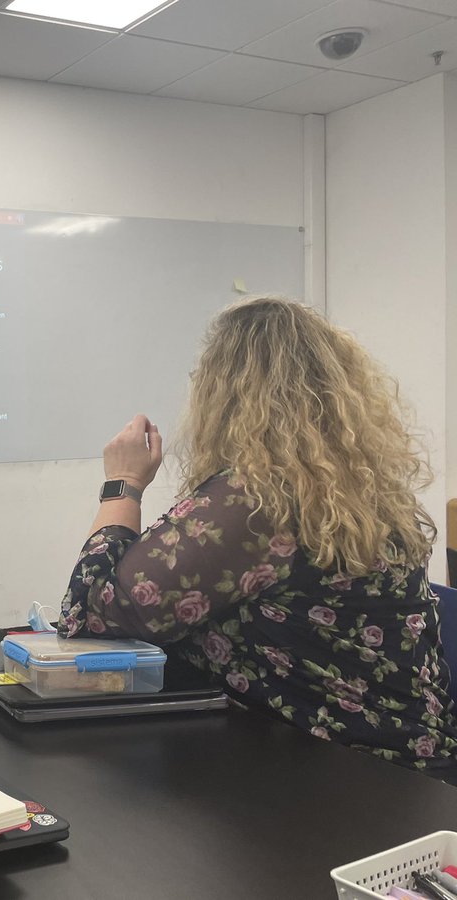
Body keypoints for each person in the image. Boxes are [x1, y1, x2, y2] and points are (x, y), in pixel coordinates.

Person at [60, 296, 457, 776]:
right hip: (405, 758)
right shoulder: (354, 488)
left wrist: (121, 486)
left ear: (224, 396)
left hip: (350, 780)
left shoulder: (259, 501)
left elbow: (92, 610)